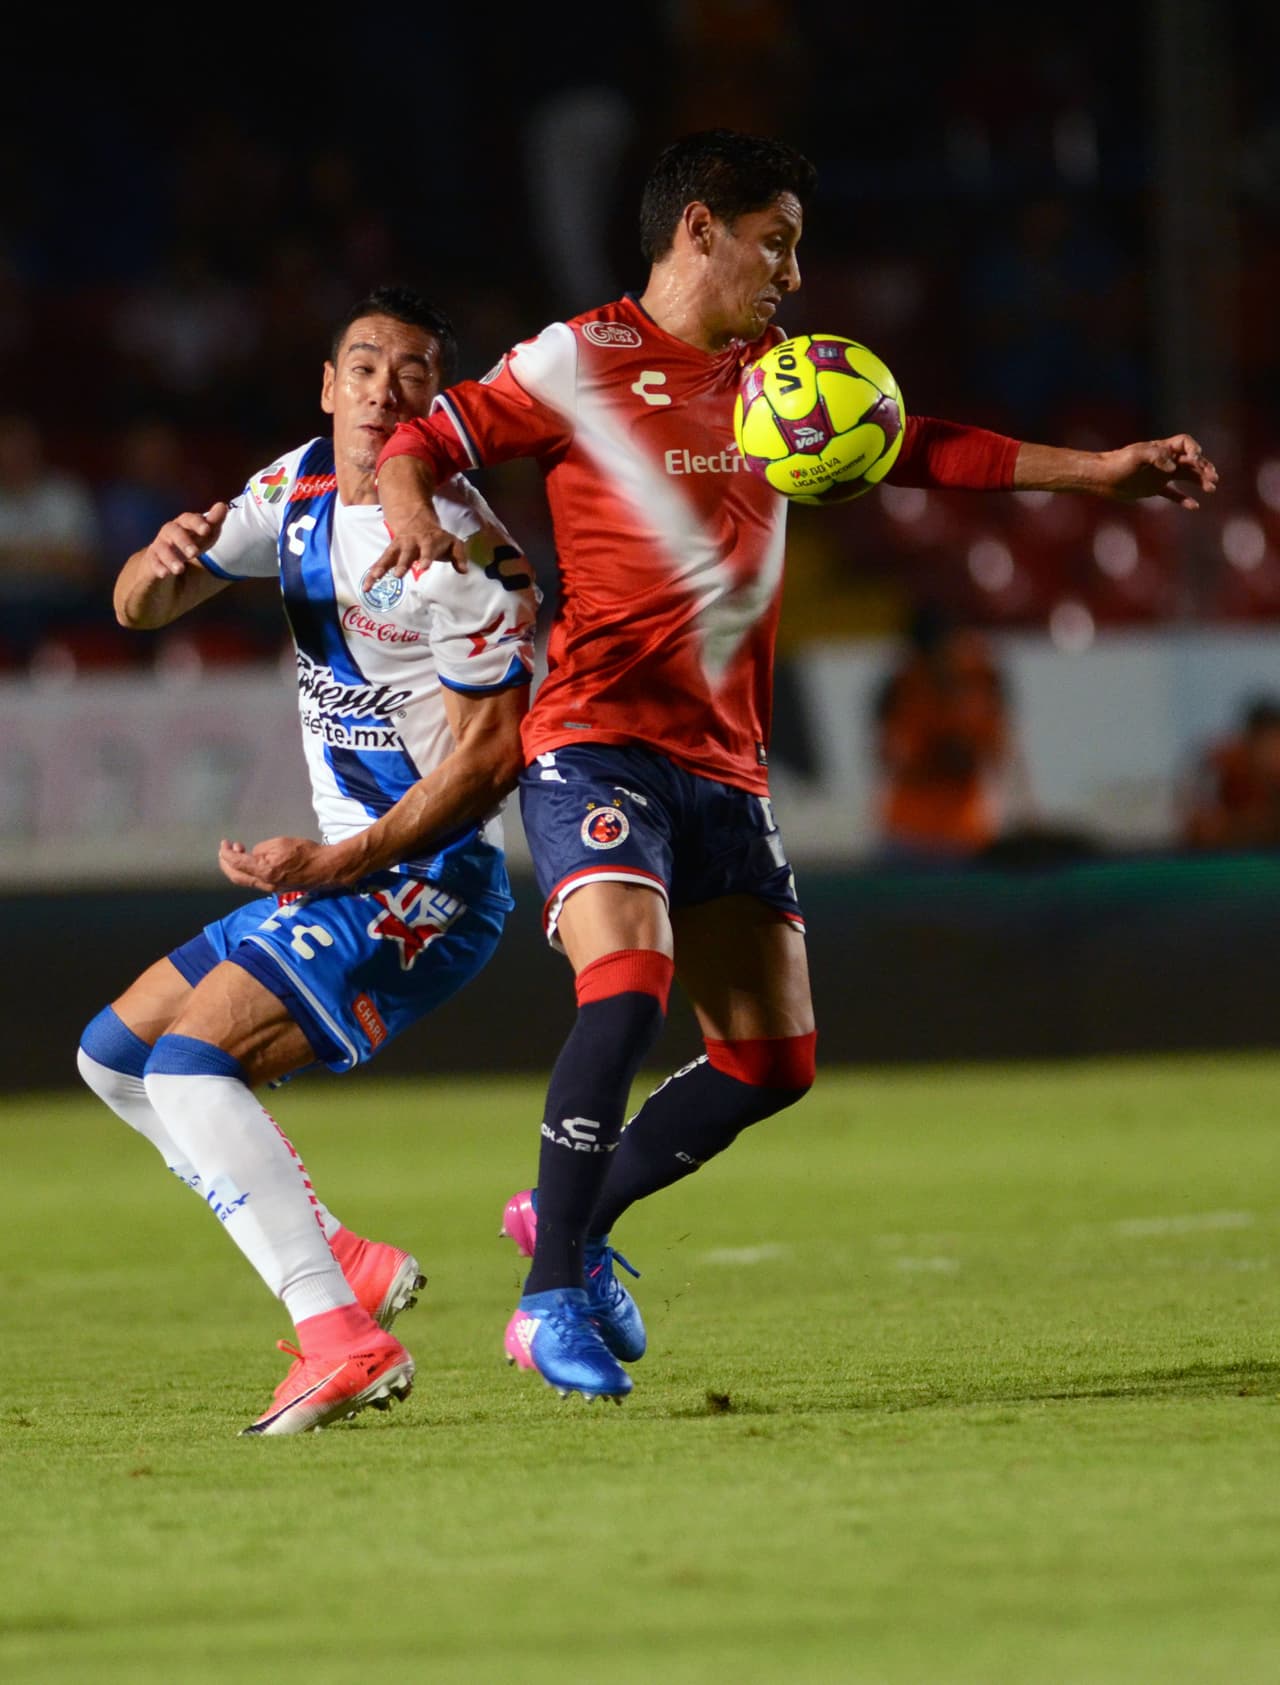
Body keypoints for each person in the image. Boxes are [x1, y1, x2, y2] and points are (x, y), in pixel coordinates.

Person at [367, 130, 1218, 1404]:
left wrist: (1095, 471)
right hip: (595, 736)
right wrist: (411, 515)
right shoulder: (575, 358)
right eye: (776, 242)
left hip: (727, 762)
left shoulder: (783, 376)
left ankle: (569, 1207)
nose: (793, 274)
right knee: (626, 987)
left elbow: (917, 442)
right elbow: (416, 441)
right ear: (698, 229)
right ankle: (547, 1299)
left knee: (772, 1060)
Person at [77, 285, 539, 1435]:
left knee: (190, 1067)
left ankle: (338, 1334)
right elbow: (140, 606)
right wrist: (156, 556)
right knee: (116, 1059)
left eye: (415, 373)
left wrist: (338, 864)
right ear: (328, 388)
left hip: (425, 881)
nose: (386, 389)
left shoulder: (466, 553)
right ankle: (340, 1254)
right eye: (366, 367)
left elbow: (487, 771)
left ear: (446, 403)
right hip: (338, 871)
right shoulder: (291, 490)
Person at [872, 603, 1031, 861]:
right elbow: (888, 758)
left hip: (966, 833)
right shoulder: (901, 690)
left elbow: (1003, 752)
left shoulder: (982, 684)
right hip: (908, 834)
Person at [1180, 695, 1280, 850]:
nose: (1271, 754)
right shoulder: (1226, 762)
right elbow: (1199, 822)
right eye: (1266, 743)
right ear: (1250, 739)